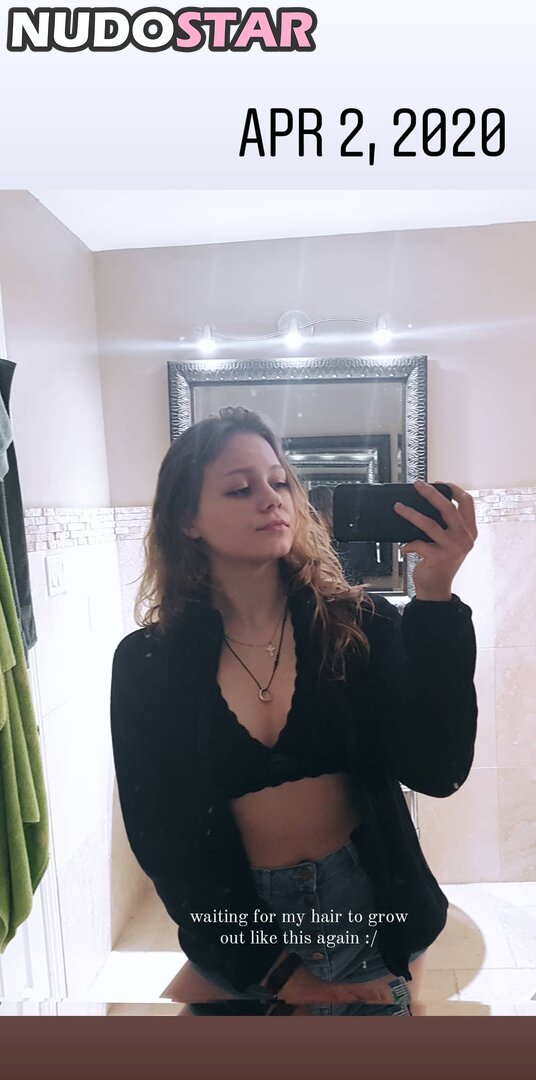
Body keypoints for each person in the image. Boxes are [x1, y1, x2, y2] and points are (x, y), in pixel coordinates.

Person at [110, 405, 478, 1016]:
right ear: (186, 519)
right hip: (237, 928)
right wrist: (273, 970)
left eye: (279, 481)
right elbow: (162, 833)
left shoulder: (358, 626)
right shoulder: (149, 662)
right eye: (240, 488)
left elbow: (438, 770)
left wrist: (435, 597)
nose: (270, 499)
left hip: (368, 910)